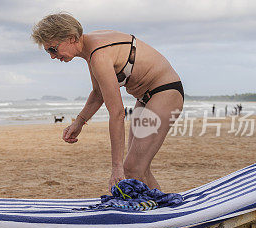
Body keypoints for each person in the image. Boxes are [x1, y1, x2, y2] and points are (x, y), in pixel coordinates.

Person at [31, 13, 183, 190]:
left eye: (53, 49)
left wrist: (116, 167)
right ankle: (163, 210)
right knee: (139, 168)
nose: (52, 56)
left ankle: (160, 213)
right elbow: (98, 93)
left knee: (131, 168)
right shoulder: (91, 49)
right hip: (147, 97)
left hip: (165, 92)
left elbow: (117, 114)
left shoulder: (99, 56)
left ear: (71, 38)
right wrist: (79, 123)